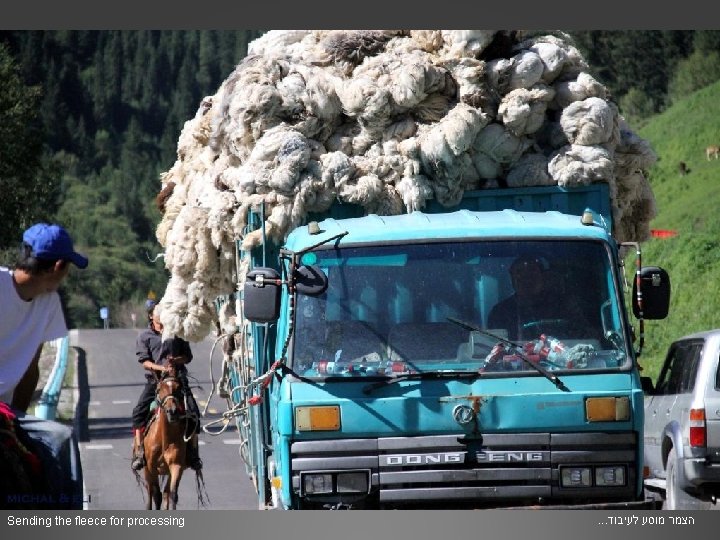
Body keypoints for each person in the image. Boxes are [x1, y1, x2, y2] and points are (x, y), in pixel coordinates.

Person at [0, 223, 88, 508]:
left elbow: (30, 368)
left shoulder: (48, 303)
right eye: (68, 268)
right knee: (62, 445)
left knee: (60, 437)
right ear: (58, 266)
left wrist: (17, 419)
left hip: (6, 412)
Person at [131, 304, 202, 471]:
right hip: (155, 382)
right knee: (138, 412)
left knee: (193, 412)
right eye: (160, 313)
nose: (163, 316)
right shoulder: (145, 336)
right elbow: (144, 362)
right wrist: (162, 368)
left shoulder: (177, 334)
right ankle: (140, 451)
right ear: (151, 317)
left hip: (177, 380)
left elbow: (188, 357)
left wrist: (176, 361)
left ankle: (193, 453)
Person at [487, 254, 563, 341]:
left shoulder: (560, 306)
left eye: (531, 273)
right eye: (519, 274)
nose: (526, 279)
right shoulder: (500, 312)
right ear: (512, 279)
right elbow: (494, 346)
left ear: (542, 276)